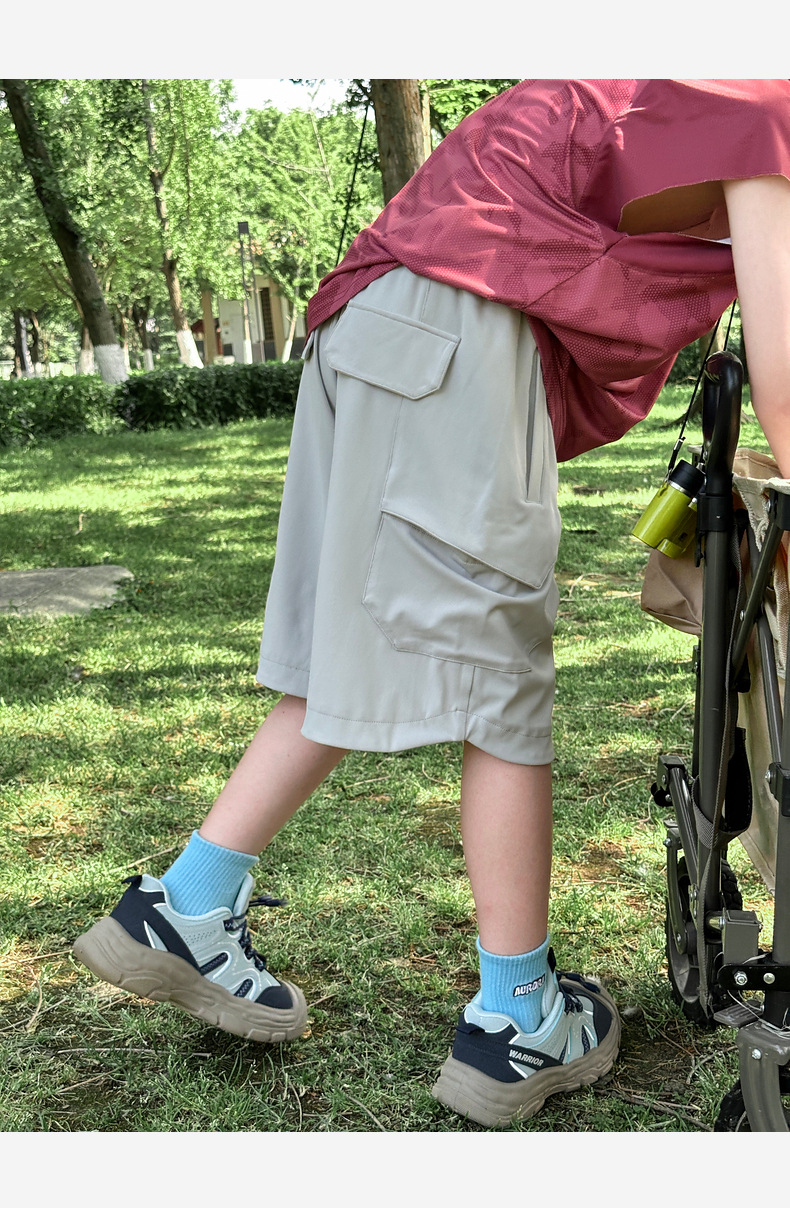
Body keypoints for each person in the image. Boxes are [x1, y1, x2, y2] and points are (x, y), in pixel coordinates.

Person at [73, 79, 790, 1129]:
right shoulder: (766, 103)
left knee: (352, 645)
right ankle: (518, 1018)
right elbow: (784, 386)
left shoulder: (665, 75)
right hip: (458, 325)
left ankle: (187, 902)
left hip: (379, 318)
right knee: (501, 680)